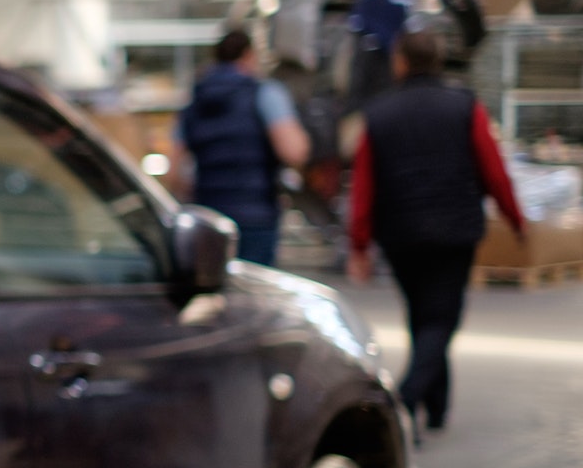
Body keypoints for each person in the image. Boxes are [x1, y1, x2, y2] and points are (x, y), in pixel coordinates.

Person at [347, 28, 521, 433]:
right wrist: (514, 218)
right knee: (441, 318)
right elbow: (493, 169)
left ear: (401, 62)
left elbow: (363, 185)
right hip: (454, 231)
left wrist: (359, 243)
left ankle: (438, 407)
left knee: (423, 315)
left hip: (400, 234)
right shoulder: (464, 107)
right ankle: (405, 404)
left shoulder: (378, 115)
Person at [172, 29, 311, 266]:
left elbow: (173, 171)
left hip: (210, 216)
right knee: (254, 290)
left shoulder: (195, 99)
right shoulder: (265, 93)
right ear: (249, 55)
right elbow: (294, 151)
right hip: (256, 215)